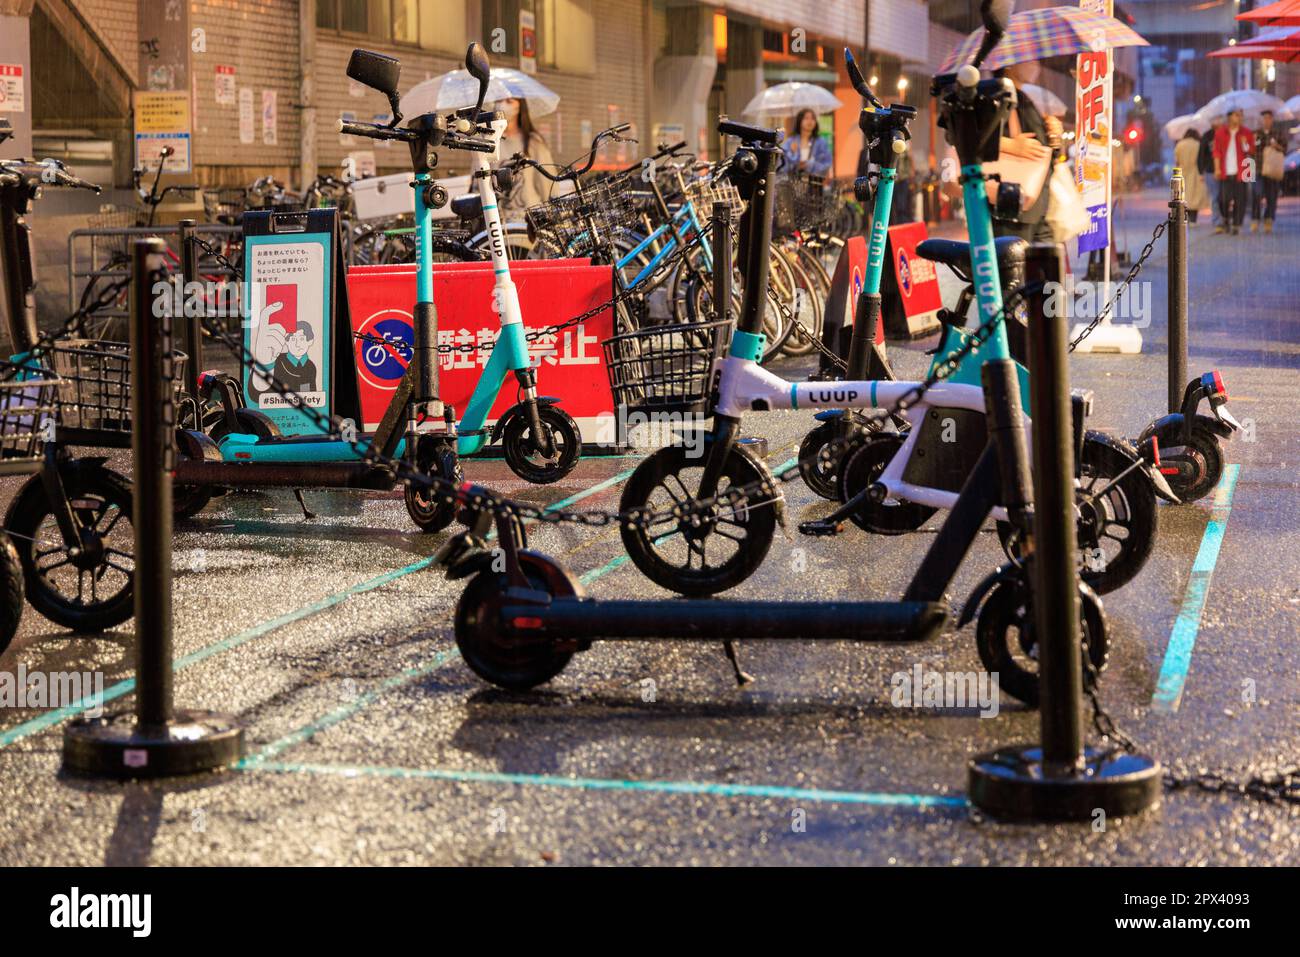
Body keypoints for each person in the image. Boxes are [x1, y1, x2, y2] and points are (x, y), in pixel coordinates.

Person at [990, 60, 1061, 242]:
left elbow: (1042, 151)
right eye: (1029, 61)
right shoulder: (995, 97)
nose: (1035, 65)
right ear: (1008, 65)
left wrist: (1054, 137)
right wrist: (1010, 145)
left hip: (1035, 207)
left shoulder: (1022, 98)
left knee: (1042, 266)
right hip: (1012, 209)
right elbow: (968, 140)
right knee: (1012, 265)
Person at [498, 97, 569, 220]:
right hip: (497, 222)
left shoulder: (533, 141)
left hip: (529, 219)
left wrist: (552, 212)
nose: (501, 105)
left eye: (509, 101)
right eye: (498, 101)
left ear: (520, 107)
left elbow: (546, 182)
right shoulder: (490, 143)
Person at [1213, 109, 1255, 235]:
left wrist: (1244, 144)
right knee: (1223, 199)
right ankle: (1226, 219)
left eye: (1241, 115)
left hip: (1242, 171)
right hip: (1225, 171)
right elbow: (1216, 152)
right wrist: (1217, 168)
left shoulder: (1246, 132)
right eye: (1237, 115)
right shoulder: (1220, 132)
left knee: (1240, 199)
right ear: (1230, 117)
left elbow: (1251, 151)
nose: (1240, 118)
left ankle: (1237, 224)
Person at [1250, 109, 1285, 233]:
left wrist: (1277, 146)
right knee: (1256, 193)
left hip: (1272, 170)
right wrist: (1253, 141)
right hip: (1258, 168)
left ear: (1272, 120)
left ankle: (1268, 219)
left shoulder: (1278, 134)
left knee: (1271, 196)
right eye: (1264, 118)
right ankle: (1255, 219)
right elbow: (1249, 150)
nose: (1267, 121)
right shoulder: (1256, 134)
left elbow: (1284, 150)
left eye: (1269, 118)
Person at [782, 108, 832, 179]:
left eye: (813, 118)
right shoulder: (790, 141)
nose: (810, 121)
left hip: (814, 183)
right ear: (800, 120)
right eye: (806, 118)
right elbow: (782, 164)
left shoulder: (821, 142)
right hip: (793, 183)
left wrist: (808, 165)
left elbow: (827, 164)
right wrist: (793, 154)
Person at [1174, 128, 1209, 224]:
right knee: (1194, 197)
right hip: (1195, 172)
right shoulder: (1197, 144)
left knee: (1184, 195)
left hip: (1183, 171)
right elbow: (1202, 158)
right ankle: (1193, 219)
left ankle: (1186, 217)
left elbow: (1176, 160)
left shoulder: (1180, 145)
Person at [1198, 117, 1223, 230]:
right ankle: (1217, 220)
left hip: (1225, 170)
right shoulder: (1207, 136)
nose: (1218, 121)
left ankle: (1225, 218)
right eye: (1215, 120)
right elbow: (1201, 154)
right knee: (1215, 196)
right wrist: (1200, 172)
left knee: (1224, 196)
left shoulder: (1226, 133)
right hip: (1210, 170)